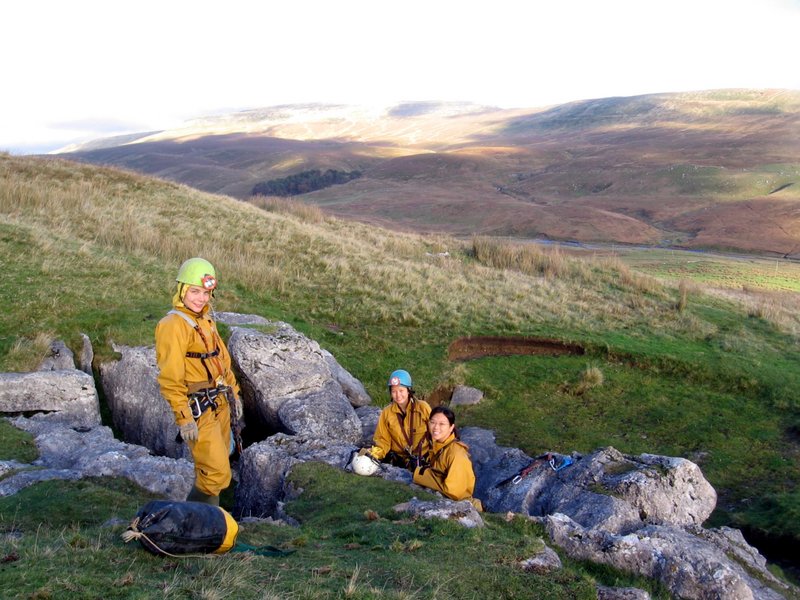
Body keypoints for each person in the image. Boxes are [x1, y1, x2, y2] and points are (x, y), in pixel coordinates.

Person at [155, 257, 243, 506]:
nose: (201, 298)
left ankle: (208, 523)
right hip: (199, 408)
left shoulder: (205, 320)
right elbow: (170, 378)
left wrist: (234, 395)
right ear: (182, 290)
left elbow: (222, 361)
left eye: (206, 293)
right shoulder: (172, 325)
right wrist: (184, 417)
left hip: (221, 402)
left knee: (219, 464)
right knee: (215, 474)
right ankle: (198, 522)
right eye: (195, 291)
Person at [413, 405, 483, 511]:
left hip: (465, 506)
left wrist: (421, 474)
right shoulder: (439, 445)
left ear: (451, 427)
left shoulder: (456, 454)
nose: (436, 427)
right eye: (432, 422)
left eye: (442, 424)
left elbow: (454, 492)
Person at [362, 369, 431, 470]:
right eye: (394, 391)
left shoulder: (423, 408)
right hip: (400, 462)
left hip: (424, 460)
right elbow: (382, 442)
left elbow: (436, 434)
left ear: (409, 390)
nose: (398, 395)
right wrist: (370, 454)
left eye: (401, 390)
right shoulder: (387, 413)